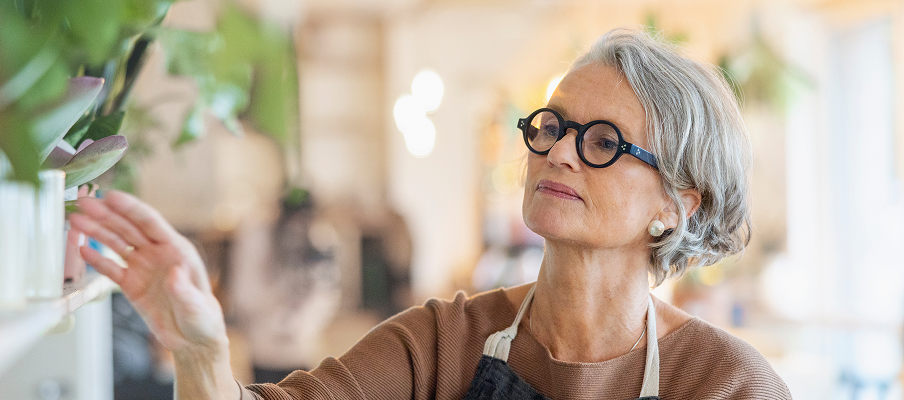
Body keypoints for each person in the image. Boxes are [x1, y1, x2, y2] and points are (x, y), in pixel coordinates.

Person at [69, 27, 792, 399]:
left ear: (677, 202)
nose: (559, 153)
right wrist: (199, 346)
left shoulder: (725, 383)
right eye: (552, 125)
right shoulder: (444, 342)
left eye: (603, 142)